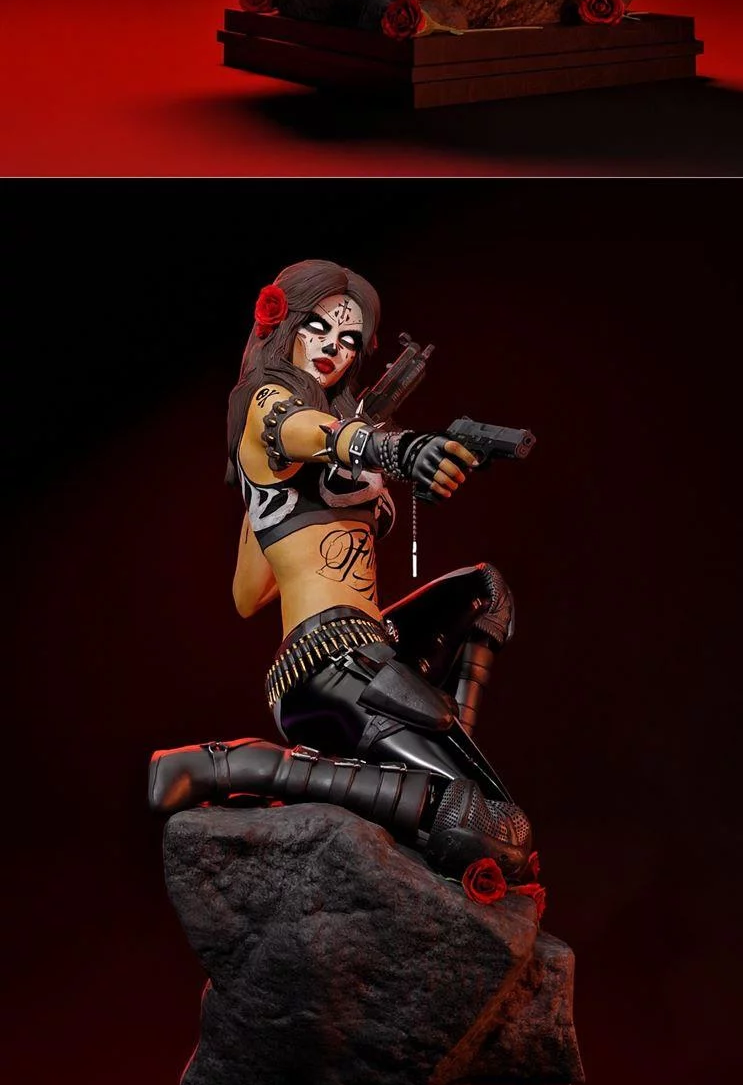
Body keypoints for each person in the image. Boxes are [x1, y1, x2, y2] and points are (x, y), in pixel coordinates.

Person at [149, 251, 536, 886]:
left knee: (484, 590)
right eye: (318, 327)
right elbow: (299, 428)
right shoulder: (267, 402)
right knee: (498, 831)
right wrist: (391, 448)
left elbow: (248, 594)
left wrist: (289, 505)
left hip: (372, 645)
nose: (334, 346)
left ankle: (434, 789)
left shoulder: (329, 434)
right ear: (285, 326)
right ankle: (239, 767)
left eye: (350, 338)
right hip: (327, 661)